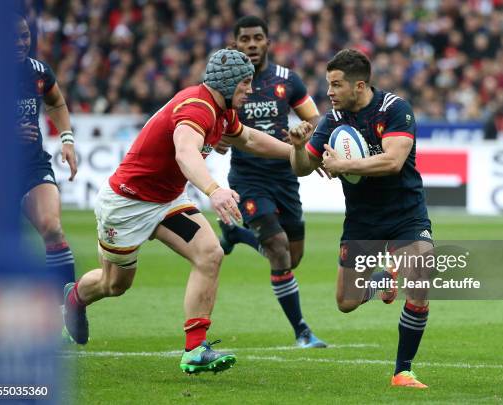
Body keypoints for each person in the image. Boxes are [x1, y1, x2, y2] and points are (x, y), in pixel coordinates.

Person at [62, 49, 303, 374]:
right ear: (229, 83)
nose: (250, 89)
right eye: (245, 83)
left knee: (210, 253)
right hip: (127, 204)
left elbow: (248, 138)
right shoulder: (197, 107)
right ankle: (74, 299)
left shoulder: (222, 111)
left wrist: (298, 154)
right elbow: (186, 154)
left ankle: (194, 349)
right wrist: (214, 190)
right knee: (114, 285)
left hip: (166, 202)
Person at [289, 49, 433, 388]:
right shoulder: (331, 121)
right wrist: (298, 147)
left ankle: (402, 371)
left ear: (360, 85)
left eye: (337, 85)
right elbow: (304, 168)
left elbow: (393, 161)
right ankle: (385, 281)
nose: (330, 92)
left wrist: (343, 166)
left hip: (405, 212)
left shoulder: (394, 109)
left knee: (421, 274)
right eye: (329, 84)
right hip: (362, 219)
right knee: (346, 302)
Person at [216, 15, 326, 348]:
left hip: (286, 174)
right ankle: (302, 331)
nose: (251, 44)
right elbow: (217, 131)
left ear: (268, 42)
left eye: (257, 38)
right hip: (249, 178)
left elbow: (315, 118)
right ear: (235, 44)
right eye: (245, 39)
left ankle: (237, 234)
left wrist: (308, 137)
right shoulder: (228, 84)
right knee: (278, 251)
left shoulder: (287, 80)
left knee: (293, 258)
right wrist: (219, 138)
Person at [16, 15, 78, 300]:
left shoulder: (38, 72)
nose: (20, 43)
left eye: (25, 36)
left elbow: (56, 102)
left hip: (32, 166)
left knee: (52, 229)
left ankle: (68, 308)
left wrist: (67, 139)